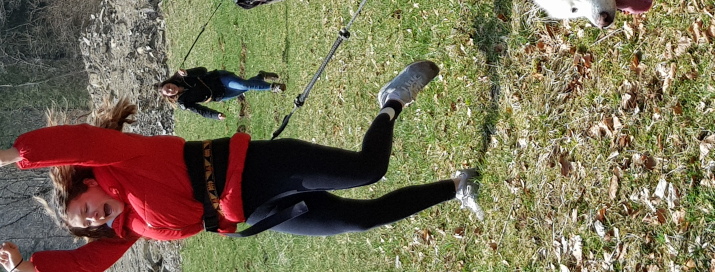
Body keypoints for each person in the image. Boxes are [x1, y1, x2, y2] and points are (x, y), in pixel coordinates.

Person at [0, 61, 482, 272]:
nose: (91, 220)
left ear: (87, 182)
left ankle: (392, 100)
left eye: (83, 209)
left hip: (260, 169)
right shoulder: (132, 228)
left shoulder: (120, 161)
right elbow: (83, 266)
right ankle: (456, 187)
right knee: (359, 219)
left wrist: (11, 156)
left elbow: (77, 141)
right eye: (87, 224)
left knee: (368, 169)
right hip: (258, 212)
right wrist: (25, 267)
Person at [159, 67, 286, 120]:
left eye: (169, 87)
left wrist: (188, 72)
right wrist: (216, 115)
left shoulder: (183, 77)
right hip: (221, 94)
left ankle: (273, 87)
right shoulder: (183, 102)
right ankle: (261, 76)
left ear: (170, 82)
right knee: (247, 87)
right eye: (168, 92)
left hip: (219, 79)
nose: (171, 89)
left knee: (244, 85)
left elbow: (203, 70)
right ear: (170, 96)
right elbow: (200, 111)